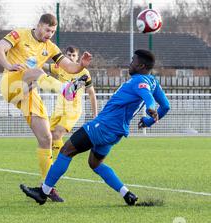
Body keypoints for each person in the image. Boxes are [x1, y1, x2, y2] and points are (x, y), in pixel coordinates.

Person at [20, 49, 170, 206]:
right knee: (95, 163)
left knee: (66, 151)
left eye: (133, 61)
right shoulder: (153, 82)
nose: (130, 63)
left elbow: (148, 98)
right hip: (115, 132)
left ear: (141, 65)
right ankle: (127, 194)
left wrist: (150, 109)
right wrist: (148, 122)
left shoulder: (139, 82)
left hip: (103, 127)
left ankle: (43, 192)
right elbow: (166, 106)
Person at [0, 13, 92, 202]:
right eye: (47, 30)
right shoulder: (19, 34)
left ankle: (47, 188)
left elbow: (69, 67)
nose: (49, 34)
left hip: (29, 91)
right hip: (11, 83)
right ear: (39, 25)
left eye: (53, 32)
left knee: (46, 138)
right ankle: (64, 89)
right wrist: (8, 64)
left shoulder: (50, 47)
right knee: (36, 71)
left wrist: (80, 65)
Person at [43, 46, 98, 161]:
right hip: (59, 108)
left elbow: (91, 93)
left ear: (78, 57)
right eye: (69, 55)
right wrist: (36, 57)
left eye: (74, 55)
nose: (71, 57)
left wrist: (95, 114)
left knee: (57, 134)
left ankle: (58, 164)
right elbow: (44, 65)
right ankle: (52, 162)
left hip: (73, 110)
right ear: (65, 56)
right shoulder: (60, 67)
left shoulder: (84, 72)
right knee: (49, 136)